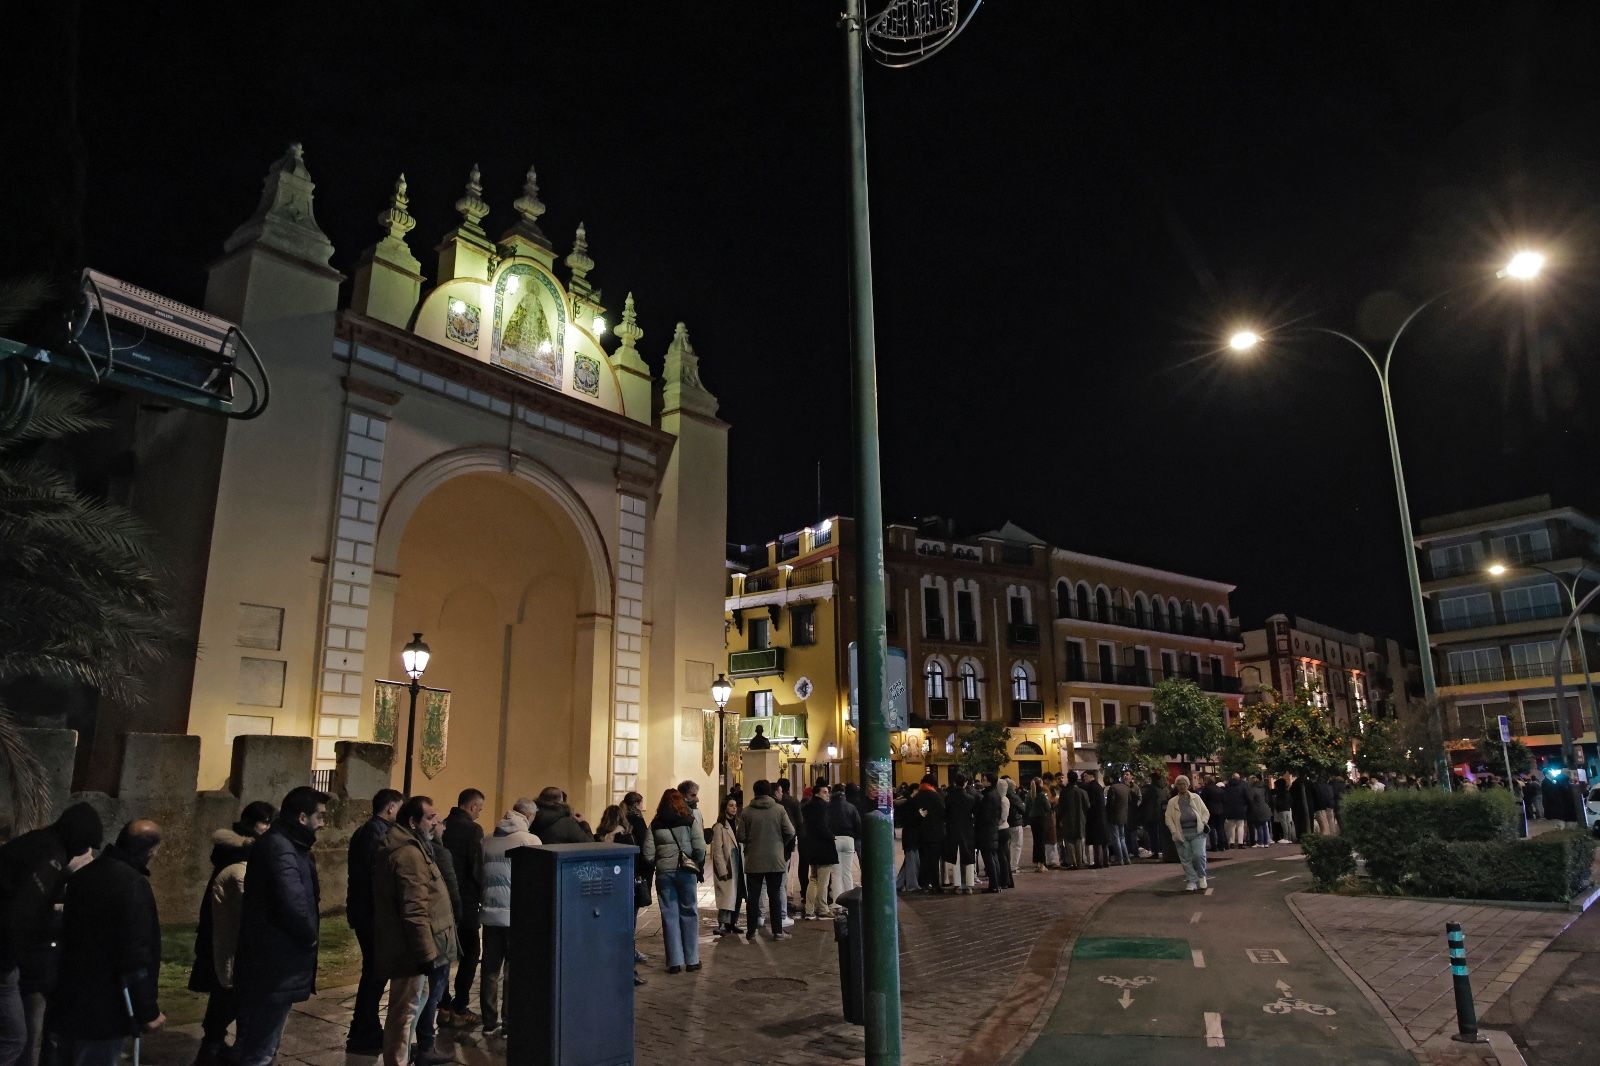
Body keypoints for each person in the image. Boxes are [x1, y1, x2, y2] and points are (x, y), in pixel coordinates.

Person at [50, 820, 164, 1066]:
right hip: (105, 1009)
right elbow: (136, 953)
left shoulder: (83, 877)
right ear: (151, 851)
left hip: (68, 1000)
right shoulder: (133, 885)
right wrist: (147, 1011)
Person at [0, 802, 103, 1066]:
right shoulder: (50, 857)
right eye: (85, 846)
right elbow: (23, 911)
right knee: (14, 1040)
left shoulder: (35, 844)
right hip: (5, 960)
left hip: (13, 959)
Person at [235, 787, 328, 1066]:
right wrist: (310, 936)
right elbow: (293, 902)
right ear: (302, 818)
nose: (323, 823)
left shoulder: (290, 845)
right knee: (261, 1046)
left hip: (276, 959)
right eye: (320, 816)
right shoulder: (280, 847)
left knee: (263, 1041)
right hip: (275, 960)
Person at [189, 801, 274, 1065]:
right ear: (251, 823)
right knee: (229, 992)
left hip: (225, 927)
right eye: (265, 822)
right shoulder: (240, 854)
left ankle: (214, 1045)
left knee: (226, 992)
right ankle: (215, 1048)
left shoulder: (239, 849)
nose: (268, 828)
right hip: (229, 929)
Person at [375, 796, 457, 1066]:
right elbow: (414, 909)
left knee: (414, 1004)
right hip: (411, 949)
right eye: (430, 818)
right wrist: (426, 954)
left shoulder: (418, 847)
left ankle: (404, 1056)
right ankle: (396, 1060)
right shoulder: (409, 853)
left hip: (419, 945)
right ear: (412, 822)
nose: (436, 822)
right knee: (404, 1011)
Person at [345, 788, 401, 1054]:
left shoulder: (369, 831)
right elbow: (375, 876)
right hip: (371, 914)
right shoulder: (376, 834)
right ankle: (365, 1030)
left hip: (366, 912)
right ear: (390, 808)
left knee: (374, 972)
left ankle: (362, 1027)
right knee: (375, 973)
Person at [478, 809, 539, 1034]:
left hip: (490, 913)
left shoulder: (487, 841)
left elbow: (478, 874)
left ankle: (488, 1021)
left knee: (490, 969)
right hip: (517, 914)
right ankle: (509, 1022)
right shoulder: (529, 840)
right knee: (513, 970)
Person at [416, 804, 462, 1062]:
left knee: (427, 992)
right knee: (430, 991)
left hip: (435, 929)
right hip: (438, 930)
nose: (440, 825)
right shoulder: (436, 853)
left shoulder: (431, 850)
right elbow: (448, 893)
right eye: (434, 819)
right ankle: (424, 1044)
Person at [645, 789, 705, 974]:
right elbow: (700, 847)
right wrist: (695, 860)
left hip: (664, 873)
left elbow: (648, 854)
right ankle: (692, 960)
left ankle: (674, 962)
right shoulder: (689, 820)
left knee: (669, 916)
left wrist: (660, 861)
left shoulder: (655, 824)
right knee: (689, 912)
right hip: (686, 871)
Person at [440, 789, 484, 1028]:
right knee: (471, 953)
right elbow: (476, 866)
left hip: (443, 900)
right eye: (480, 809)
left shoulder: (444, 825)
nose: (479, 814)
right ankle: (460, 1006)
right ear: (473, 806)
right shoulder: (473, 830)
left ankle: (443, 1004)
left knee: (445, 954)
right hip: (466, 900)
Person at [737, 780, 795, 943]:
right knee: (774, 895)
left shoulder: (747, 812)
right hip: (775, 860)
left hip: (754, 860)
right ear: (769, 791)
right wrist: (780, 844)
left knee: (753, 897)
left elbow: (740, 836)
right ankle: (777, 932)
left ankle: (751, 931)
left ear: (754, 792)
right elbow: (790, 831)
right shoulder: (779, 809)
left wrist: (751, 841)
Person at [800, 782, 840, 916]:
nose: (827, 794)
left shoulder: (807, 807)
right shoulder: (823, 807)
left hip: (812, 846)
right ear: (817, 793)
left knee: (814, 879)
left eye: (828, 792)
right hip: (824, 847)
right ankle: (822, 909)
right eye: (824, 792)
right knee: (823, 882)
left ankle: (809, 909)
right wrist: (831, 836)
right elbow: (823, 826)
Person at [1165, 776, 1211, 892]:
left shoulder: (1196, 798)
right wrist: (1174, 831)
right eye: (1179, 784)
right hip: (1181, 834)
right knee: (1186, 859)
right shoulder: (1172, 802)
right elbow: (1168, 818)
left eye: (1184, 784)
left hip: (1197, 832)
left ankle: (1202, 877)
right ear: (1176, 786)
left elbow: (1205, 812)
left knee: (1199, 855)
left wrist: (1203, 822)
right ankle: (1191, 880)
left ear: (1188, 785)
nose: (1182, 786)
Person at [623, 792, 652, 970]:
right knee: (631, 914)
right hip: (636, 873)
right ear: (639, 803)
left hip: (624, 870)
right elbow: (645, 847)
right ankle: (630, 950)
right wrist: (646, 873)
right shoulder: (638, 820)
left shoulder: (621, 818)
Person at [710, 799, 744, 936]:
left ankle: (733, 923)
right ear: (724, 808)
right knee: (726, 895)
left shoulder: (738, 824)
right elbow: (717, 850)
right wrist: (722, 869)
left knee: (737, 895)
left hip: (739, 864)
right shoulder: (719, 827)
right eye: (731, 805)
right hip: (728, 864)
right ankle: (723, 924)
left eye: (735, 806)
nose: (734, 808)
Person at [943, 773, 978, 893]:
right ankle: (969, 885)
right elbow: (975, 815)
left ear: (954, 783)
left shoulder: (948, 798)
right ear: (965, 783)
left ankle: (957, 885)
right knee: (968, 858)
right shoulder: (971, 799)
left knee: (956, 857)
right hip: (967, 831)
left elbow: (945, 815)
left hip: (953, 830)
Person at [828, 783, 863, 900]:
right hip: (849, 840)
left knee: (836, 873)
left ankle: (837, 902)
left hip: (834, 840)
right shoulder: (851, 807)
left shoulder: (828, 807)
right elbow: (858, 826)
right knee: (847, 872)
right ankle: (850, 900)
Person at [911, 776, 945, 892]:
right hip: (936, 834)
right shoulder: (936, 796)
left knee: (924, 860)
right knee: (934, 861)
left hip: (922, 834)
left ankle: (924, 884)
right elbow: (943, 813)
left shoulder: (917, 797)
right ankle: (935, 885)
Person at [774, 779, 803, 911]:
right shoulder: (793, 801)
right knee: (785, 870)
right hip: (788, 840)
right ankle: (783, 902)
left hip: (774, 840)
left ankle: (779, 901)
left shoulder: (776, 802)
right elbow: (799, 821)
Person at [974, 773, 1006, 892]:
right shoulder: (995, 794)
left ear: (990, 782)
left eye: (984, 779)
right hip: (992, 830)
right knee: (993, 857)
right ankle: (996, 884)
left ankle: (993, 885)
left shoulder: (988, 796)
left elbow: (985, 816)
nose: (982, 781)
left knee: (989, 858)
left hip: (986, 831)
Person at [528, 787, 592, 843]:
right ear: (561, 801)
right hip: (560, 856)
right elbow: (589, 844)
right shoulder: (567, 823)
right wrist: (583, 823)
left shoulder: (530, 817)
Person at [1056, 771, 1088, 869]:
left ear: (1068, 779)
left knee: (1069, 841)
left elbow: (1060, 807)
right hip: (1079, 819)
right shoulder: (1082, 792)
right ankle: (1079, 862)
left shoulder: (1064, 792)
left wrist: (1059, 819)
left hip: (1067, 820)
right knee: (1078, 840)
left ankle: (1072, 862)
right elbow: (1087, 806)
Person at [894, 785, 921, 892]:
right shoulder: (911, 803)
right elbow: (910, 820)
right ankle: (912, 885)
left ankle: (899, 884)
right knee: (912, 861)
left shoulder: (906, 802)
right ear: (914, 791)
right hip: (911, 836)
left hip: (909, 835)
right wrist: (920, 815)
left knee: (909, 861)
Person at [1140, 771, 1170, 861]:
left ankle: (1155, 852)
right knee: (1161, 834)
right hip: (1162, 813)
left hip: (1152, 814)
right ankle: (1162, 851)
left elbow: (1145, 801)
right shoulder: (1164, 788)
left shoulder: (1152, 789)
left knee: (1153, 834)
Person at [1081, 771, 1108, 868]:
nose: (1084, 779)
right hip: (1102, 816)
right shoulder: (1099, 786)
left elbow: (1090, 804)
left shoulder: (1091, 787)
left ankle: (1098, 862)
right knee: (1103, 841)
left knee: (1097, 841)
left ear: (1090, 776)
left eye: (1085, 776)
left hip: (1095, 817)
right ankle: (1105, 861)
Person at [1105, 772, 1133, 866]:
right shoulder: (1126, 788)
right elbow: (1130, 801)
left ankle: (1119, 859)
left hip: (1113, 816)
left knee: (1116, 838)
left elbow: (1110, 804)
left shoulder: (1112, 788)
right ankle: (1127, 859)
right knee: (1122, 838)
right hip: (1123, 816)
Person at [1002, 776, 1026, 875]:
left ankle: (1006, 865)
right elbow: (1022, 809)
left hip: (1005, 824)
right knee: (1016, 845)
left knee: (1007, 846)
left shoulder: (1002, 796)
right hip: (1015, 823)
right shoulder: (1014, 797)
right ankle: (1013, 866)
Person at [1222, 773, 1250, 848]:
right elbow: (1247, 797)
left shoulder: (1227, 786)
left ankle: (1231, 843)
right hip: (1240, 808)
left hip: (1230, 809)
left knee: (1231, 827)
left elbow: (1224, 798)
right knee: (1240, 826)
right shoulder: (1243, 786)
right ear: (1238, 778)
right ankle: (1240, 843)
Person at [1247, 774, 1273, 848]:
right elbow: (1267, 799)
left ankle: (1260, 842)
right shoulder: (1263, 789)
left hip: (1257, 809)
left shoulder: (1253, 790)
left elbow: (1250, 800)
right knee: (1264, 825)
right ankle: (1266, 843)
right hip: (1265, 808)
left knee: (1259, 826)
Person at [1272, 775, 1296, 843]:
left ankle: (1286, 837)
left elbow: (1277, 802)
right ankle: (1289, 838)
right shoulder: (1287, 792)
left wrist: (1277, 807)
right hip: (1288, 808)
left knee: (1284, 823)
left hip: (1282, 809)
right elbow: (1291, 800)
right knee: (1288, 823)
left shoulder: (1279, 793)